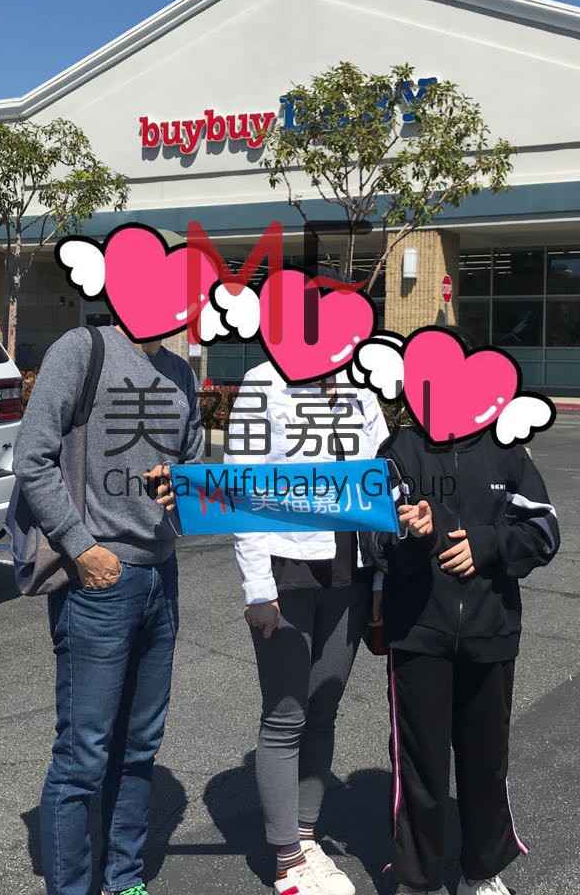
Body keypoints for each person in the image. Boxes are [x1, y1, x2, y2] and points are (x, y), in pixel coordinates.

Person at [15, 324, 202, 895]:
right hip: (99, 581)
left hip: (160, 574)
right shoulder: (82, 349)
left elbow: (194, 464)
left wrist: (180, 485)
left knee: (140, 747)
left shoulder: (181, 372)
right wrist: (82, 547)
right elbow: (32, 457)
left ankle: (124, 880)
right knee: (83, 755)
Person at [374, 426, 561, 895]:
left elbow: (544, 531)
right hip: (418, 633)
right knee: (419, 763)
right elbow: (372, 539)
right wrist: (413, 532)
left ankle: (482, 871)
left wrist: (488, 544)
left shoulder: (506, 450)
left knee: (486, 761)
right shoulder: (399, 449)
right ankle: (417, 878)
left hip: (491, 630)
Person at [229, 360, 390, 895]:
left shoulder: (360, 384)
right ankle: (286, 859)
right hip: (286, 568)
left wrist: (381, 576)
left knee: (324, 705)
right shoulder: (263, 382)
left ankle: (306, 837)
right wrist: (258, 589)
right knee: (285, 713)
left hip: (351, 568)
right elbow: (242, 485)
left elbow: (381, 475)